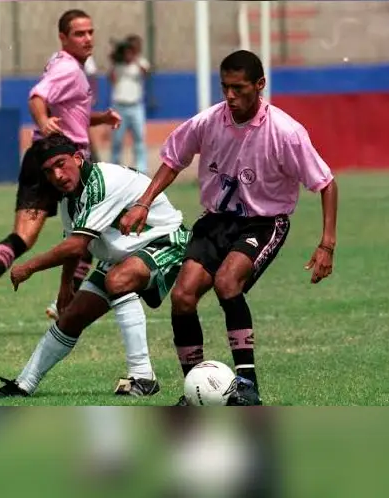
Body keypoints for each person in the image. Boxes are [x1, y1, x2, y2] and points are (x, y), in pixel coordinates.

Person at [119, 49, 339, 406]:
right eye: (225, 88)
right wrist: (144, 202)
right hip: (216, 221)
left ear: (260, 85)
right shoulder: (209, 121)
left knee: (227, 282)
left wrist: (326, 244)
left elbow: (326, 183)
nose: (231, 96)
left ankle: (247, 385)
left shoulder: (285, 131)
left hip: (264, 222)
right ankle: (194, 389)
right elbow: (173, 159)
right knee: (182, 295)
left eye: (239, 88)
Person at [0, 133, 192, 398]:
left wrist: (28, 267)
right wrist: (65, 288)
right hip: (123, 256)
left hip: (165, 241)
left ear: (77, 157)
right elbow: (73, 244)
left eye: (61, 164)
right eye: (49, 171)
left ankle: (143, 377)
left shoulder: (102, 182)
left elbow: (77, 246)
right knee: (72, 316)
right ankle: (24, 384)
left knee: (118, 281)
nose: (58, 175)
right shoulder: (68, 198)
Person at [0, 9, 120, 327]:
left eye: (91, 32)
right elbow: (37, 97)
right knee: (92, 231)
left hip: (39, 157)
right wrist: (42, 120)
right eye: (79, 34)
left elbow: (68, 112)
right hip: (68, 162)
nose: (88, 38)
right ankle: (65, 299)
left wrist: (100, 117)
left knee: (24, 236)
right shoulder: (67, 69)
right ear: (63, 37)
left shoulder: (62, 64)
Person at [109, 34, 151, 174]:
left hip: (136, 106)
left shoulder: (140, 62)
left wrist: (134, 58)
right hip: (119, 106)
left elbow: (146, 72)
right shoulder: (118, 65)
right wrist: (116, 58)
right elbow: (111, 78)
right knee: (117, 140)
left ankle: (142, 169)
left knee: (139, 138)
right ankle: (114, 168)